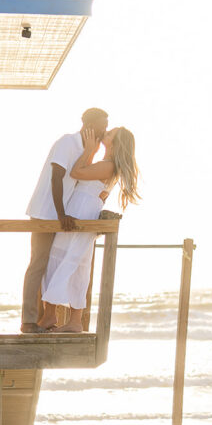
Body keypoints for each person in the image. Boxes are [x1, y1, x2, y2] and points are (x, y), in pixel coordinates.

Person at [39, 125, 140, 333]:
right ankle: (58, 317)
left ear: (115, 143)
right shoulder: (106, 164)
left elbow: (76, 172)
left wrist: (88, 152)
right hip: (83, 208)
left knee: (68, 261)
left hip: (83, 211)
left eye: (109, 134)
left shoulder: (109, 165)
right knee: (68, 261)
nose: (105, 134)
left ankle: (64, 319)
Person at [21, 108, 109, 334]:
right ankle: (28, 322)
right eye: (102, 125)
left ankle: (46, 319)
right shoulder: (67, 142)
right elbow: (56, 177)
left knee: (53, 264)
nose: (104, 130)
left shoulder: (87, 150)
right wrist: (61, 214)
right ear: (88, 124)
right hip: (45, 212)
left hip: (61, 215)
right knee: (38, 263)